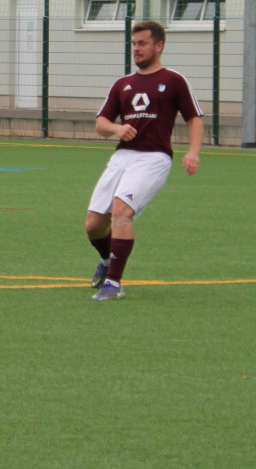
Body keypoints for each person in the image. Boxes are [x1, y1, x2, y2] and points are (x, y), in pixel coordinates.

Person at [85, 20, 203, 301]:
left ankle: (114, 284)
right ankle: (106, 262)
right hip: (122, 157)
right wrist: (116, 129)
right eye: (134, 44)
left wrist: (193, 151)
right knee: (93, 226)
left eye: (142, 44)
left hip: (154, 158)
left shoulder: (174, 80)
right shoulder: (123, 84)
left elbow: (193, 117)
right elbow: (101, 123)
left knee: (121, 212)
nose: (136, 49)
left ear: (159, 46)